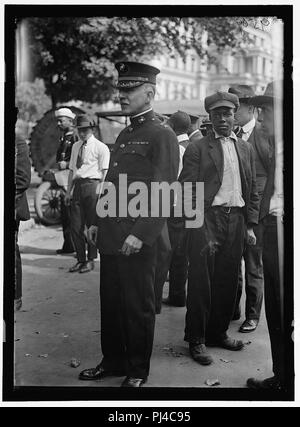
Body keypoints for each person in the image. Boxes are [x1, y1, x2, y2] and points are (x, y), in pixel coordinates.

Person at [78, 61, 179, 387]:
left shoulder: (161, 134)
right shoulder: (126, 132)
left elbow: (165, 192)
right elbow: (112, 183)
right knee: (111, 302)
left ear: (149, 92)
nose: (122, 95)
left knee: (138, 306)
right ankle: (114, 360)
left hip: (137, 238)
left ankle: (137, 370)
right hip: (111, 235)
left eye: (129, 89)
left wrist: (141, 234)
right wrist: (96, 221)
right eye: (120, 89)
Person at [179, 91, 259, 366]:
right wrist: (195, 226)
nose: (222, 119)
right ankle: (197, 339)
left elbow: (252, 189)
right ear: (209, 118)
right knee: (202, 281)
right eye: (216, 115)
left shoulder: (245, 148)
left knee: (228, 280)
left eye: (227, 114)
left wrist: (250, 224)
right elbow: (187, 189)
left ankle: (218, 333)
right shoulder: (197, 148)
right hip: (207, 220)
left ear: (234, 115)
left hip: (235, 220)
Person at [247, 81, 286, 390]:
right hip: (273, 230)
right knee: (276, 308)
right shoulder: (278, 146)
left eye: (267, 111)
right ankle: (283, 377)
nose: (261, 119)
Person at [228, 85, 270, 333]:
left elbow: (268, 176)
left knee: (253, 264)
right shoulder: (233, 134)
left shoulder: (262, 134)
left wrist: (257, 214)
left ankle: (252, 315)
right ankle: (233, 308)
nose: (232, 113)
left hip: (256, 212)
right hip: (235, 211)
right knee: (233, 263)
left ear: (250, 108)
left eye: (236, 108)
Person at [66, 115, 110, 273]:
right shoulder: (76, 146)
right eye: (80, 130)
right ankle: (80, 259)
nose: (83, 133)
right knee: (76, 226)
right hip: (78, 186)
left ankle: (91, 259)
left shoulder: (101, 147)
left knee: (92, 225)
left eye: (85, 130)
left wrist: (102, 194)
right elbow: (72, 170)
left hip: (93, 186)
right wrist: (68, 191)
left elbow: (105, 173)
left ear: (92, 129)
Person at [160, 110, 191, 308]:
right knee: (181, 252)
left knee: (169, 251)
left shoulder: (175, 148)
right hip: (187, 205)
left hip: (173, 205)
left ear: (171, 125)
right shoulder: (194, 146)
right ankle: (178, 294)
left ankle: (174, 296)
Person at [54, 107, 78, 255]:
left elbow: (81, 158)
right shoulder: (64, 137)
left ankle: (75, 245)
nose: (59, 123)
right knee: (65, 214)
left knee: (72, 214)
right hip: (63, 179)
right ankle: (68, 245)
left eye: (61, 120)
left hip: (72, 180)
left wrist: (67, 164)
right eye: (58, 120)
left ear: (70, 121)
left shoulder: (75, 136)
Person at [15, 118, 31, 311]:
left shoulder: (18, 143)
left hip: (11, 206)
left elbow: (22, 179)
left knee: (10, 251)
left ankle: (15, 297)